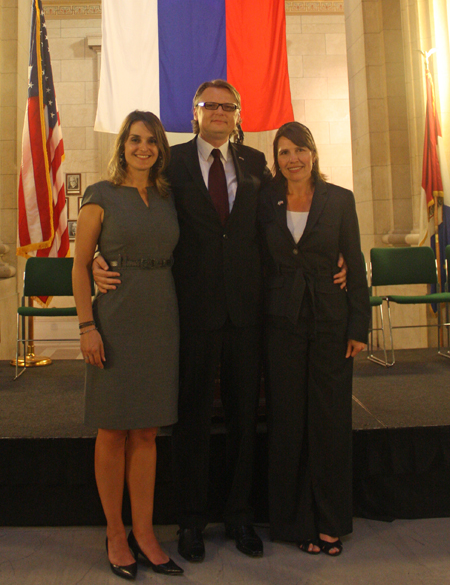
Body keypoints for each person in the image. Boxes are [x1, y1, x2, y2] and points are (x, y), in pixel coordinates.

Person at [93, 82, 347, 563]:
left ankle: (239, 515)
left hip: (249, 311)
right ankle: (190, 520)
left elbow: (289, 215)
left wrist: (337, 255)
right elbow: (138, 218)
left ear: (237, 115)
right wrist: (95, 262)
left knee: (243, 418)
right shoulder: (173, 163)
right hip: (189, 311)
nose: (219, 113)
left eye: (227, 106)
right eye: (210, 105)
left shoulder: (255, 164)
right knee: (189, 419)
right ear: (195, 113)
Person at [72, 110, 183, 580]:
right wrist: (85, 326)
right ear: (123, 145)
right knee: (113, 428)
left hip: (161, 314)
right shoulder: (100, 195)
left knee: (146, 432)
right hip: (114, 320)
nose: (143, 147)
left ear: (160, 148)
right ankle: (115, 533)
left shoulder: (167, 195)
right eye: (135, 140)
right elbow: (79, 266)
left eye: (151, 141)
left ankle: (145, 532)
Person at [258, 121, 370, 557]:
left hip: (331, 323)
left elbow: (355, 263)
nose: (293, 159)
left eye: (300, 150)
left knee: (329, 422)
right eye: (284, 152)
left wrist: (359, 326)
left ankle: (330, 521)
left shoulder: (340, 199)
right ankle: (293, 521)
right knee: (288, 422)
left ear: (314, 153)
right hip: (281, 323)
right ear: (276, 159)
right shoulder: (265, 199)